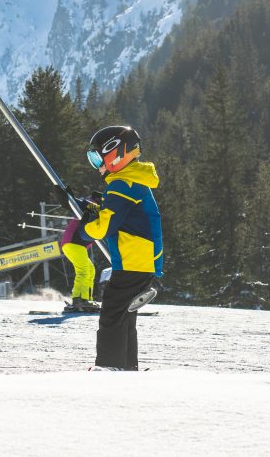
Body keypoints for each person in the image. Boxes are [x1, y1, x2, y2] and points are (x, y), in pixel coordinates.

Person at [80, 125, 162, 371]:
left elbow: (105, 226)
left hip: (132, 261)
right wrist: (87, 207)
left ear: (116, 154)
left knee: (112, 314)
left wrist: (85, 228)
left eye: (98, 159)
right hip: (141, 260)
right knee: (125, 315)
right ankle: (126, 367)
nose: (97, 167)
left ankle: (109, 366)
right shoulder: (133, 180)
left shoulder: (121, 184)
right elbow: (117, 213)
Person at [60, 192, 101, 313]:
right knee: (83, 270)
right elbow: (84, 204)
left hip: (75, 245)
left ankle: (83, 298)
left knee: (90, 269)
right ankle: (81, 299)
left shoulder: (94, 209)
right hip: (73, 243)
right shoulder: (92, 207)